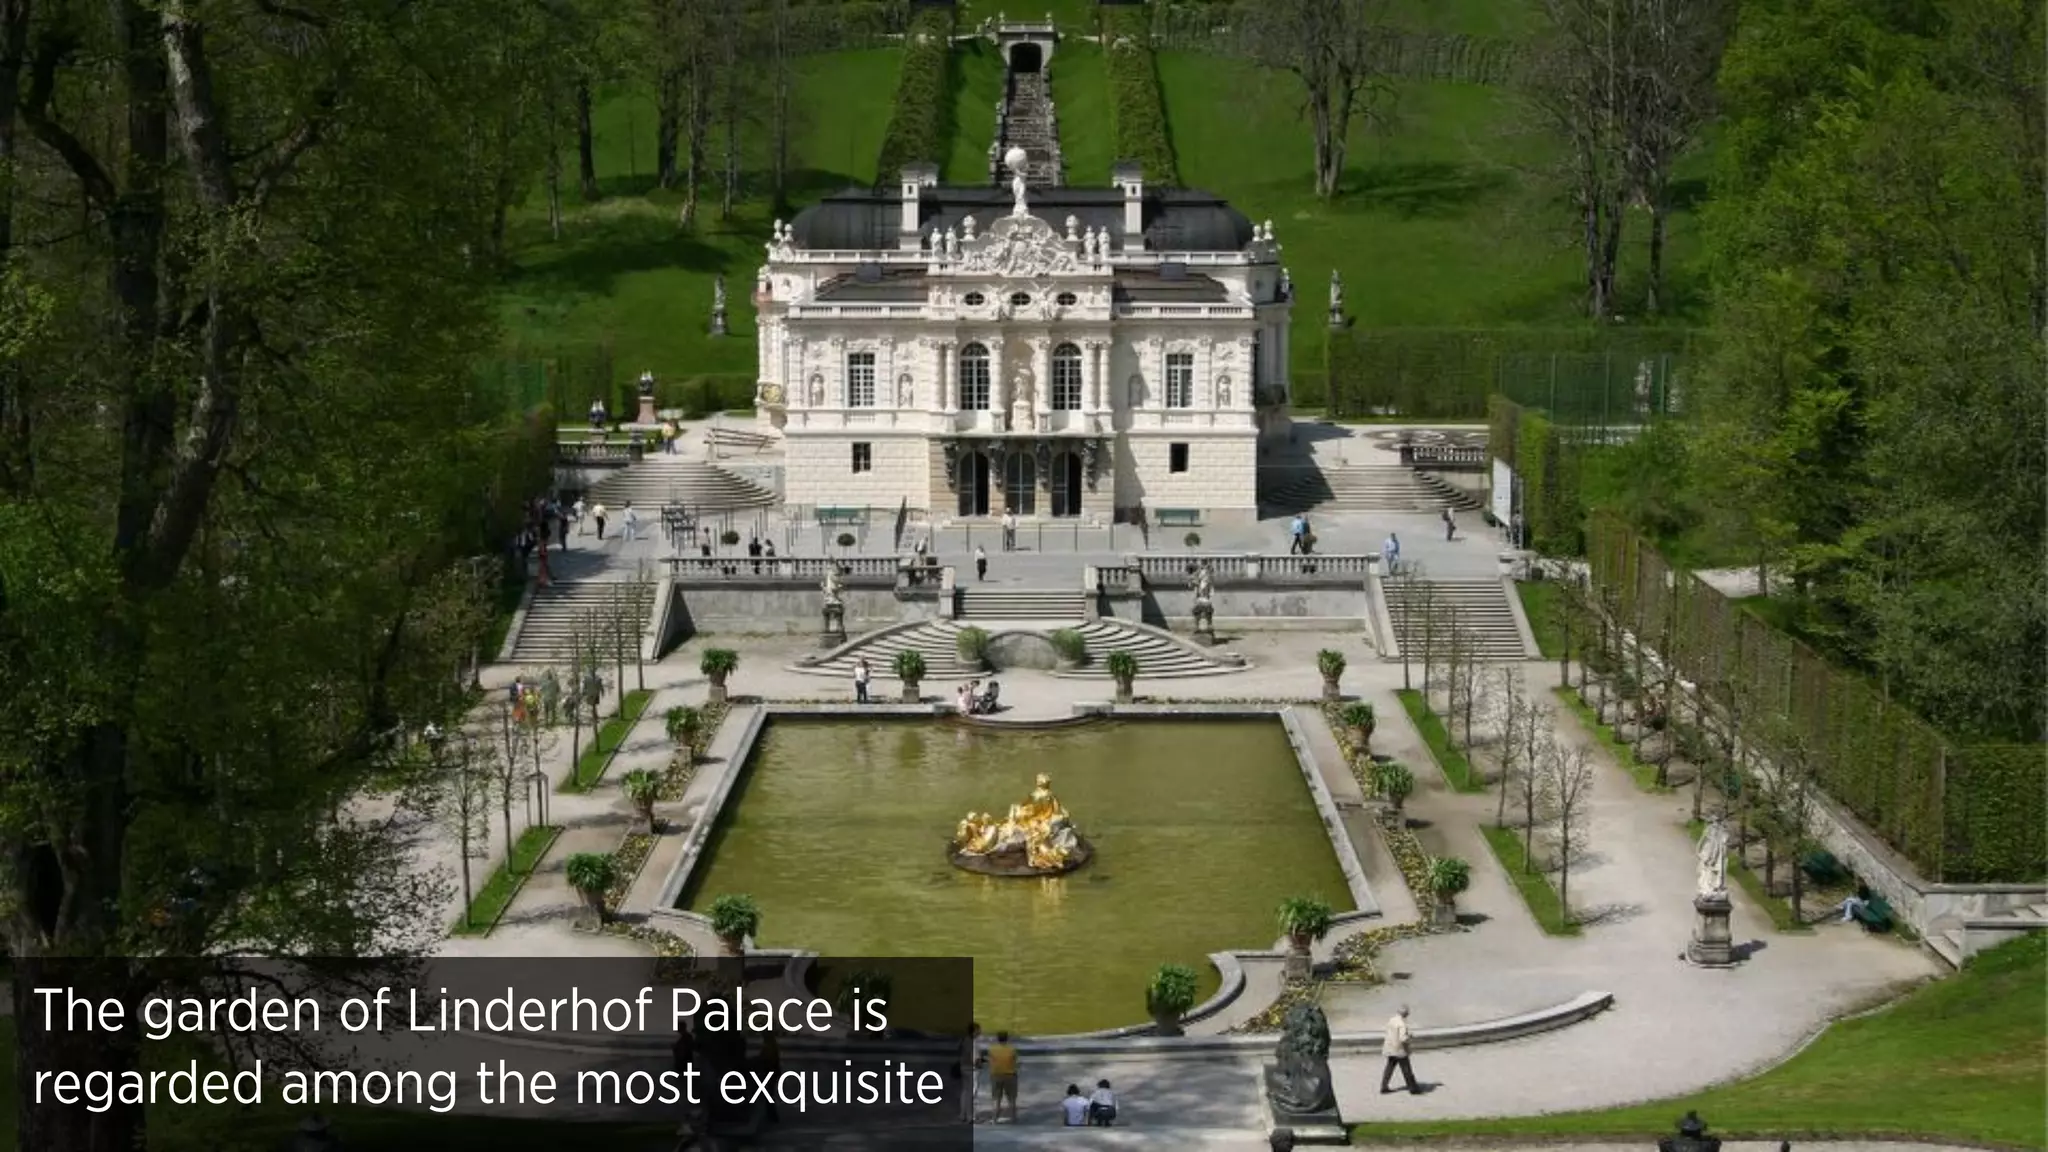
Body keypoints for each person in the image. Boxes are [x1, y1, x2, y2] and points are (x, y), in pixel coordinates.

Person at [1381, 1005, 1420, 1094]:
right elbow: (1403, 1038)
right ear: (1405, 1014)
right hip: (1399, 1050)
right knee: (1407, 1069)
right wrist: (1409, 1036)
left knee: (1389, 1068)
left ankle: (1384, 1086)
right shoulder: (1402, 1024)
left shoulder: (1392, 1020)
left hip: (1390, 1048)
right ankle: (1413, 1088)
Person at [985, 1031, 1019, 1123]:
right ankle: (1013, 1118)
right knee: (1011, 1098)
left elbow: (990, 1061)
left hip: (996, 1075)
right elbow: (1015, 1061)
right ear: (1007, 1038)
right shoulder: (1011, 1049)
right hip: (1010, 1075)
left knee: (996, 1098)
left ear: (997, 1039)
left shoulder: (992, 1049)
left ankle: (995, 1118)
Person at [959, 1023, 983, 1124]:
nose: (980, 1032)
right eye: (978, 1030)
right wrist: (981, 1063)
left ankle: (962, 1114)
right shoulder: (974, 1043)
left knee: (965, 1092)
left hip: (964, 1067)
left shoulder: (964, 1040)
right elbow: (975, 1059)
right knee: (972, 1094)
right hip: (972, 1070)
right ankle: (971, 1116)